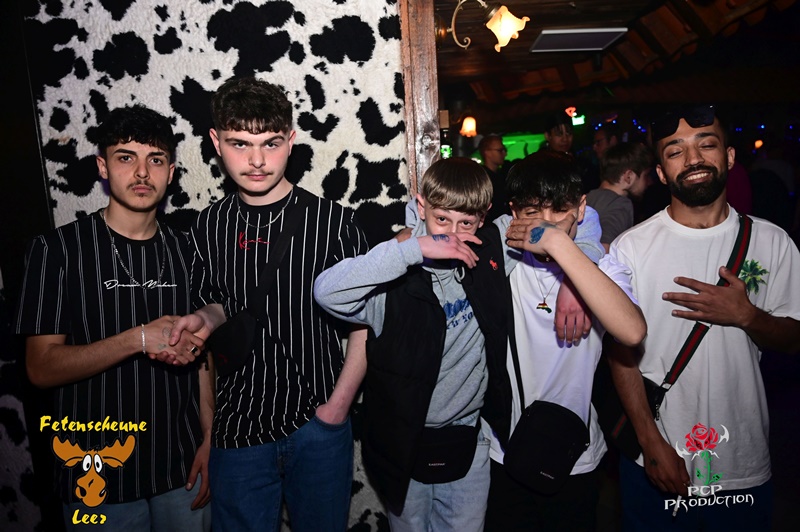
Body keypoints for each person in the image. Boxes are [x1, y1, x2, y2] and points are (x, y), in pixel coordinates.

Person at [313, 157, 605, 531]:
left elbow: (579, 217)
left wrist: (577, 277)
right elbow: (327, 292)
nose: (452, 234)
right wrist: (415, 247)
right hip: (403, 440)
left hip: (471, 439)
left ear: (483, 217)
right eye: (442, 220)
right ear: (421, 208)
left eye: (465, 223)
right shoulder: (394, 277)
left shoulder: (493, 250)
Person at [167, 77, 369, 532]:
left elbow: (367, 324)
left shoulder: (335, 224)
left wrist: (337, 408)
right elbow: (219, 304)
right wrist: (202, 318)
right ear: (216, 142)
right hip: (237, 428)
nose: (256, 160)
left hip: (318, 423)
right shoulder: (208, 225)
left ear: (290, 141)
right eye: (240, 143)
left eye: (270, 143)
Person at [15, 105, 213, 530]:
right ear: (103, 167)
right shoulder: (57, 251)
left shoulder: (188, 250)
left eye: (155, 160)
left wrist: (210, 436)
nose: (142, 172)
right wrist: (136, 339)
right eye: (126, 157)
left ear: (171, 172)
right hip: (95, 475)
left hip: (181, 469)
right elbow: (40, 368)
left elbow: (202, 355)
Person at [607, 105, 800, 530]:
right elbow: (621, 355)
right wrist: (650, 442)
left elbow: (793, 339)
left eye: (706, 145)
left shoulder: (773, 242)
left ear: (729, 157)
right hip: (659, 458)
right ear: (661, 173)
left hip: (742, 459)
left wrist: (748, 316)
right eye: (675, 151)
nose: (693, 159)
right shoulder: (631, 248)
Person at [485, 150, 646, 531]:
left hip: (575, 455)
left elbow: (632, 331)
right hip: (503, 450)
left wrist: (563, 252)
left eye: (560, 211)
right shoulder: (503, 262)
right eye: (533, 212)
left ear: (582, 207)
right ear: (513, 213)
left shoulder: (603, 269)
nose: (547, 224)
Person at [586, 142, 653, 251]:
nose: (649, 182)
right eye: (646, 175)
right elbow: (604, 248)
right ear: (628, 177)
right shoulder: (620, 204)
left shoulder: (588, 197)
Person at [478, 134, 510, 221]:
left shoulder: (503, 174)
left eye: (504, 150)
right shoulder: (481, 177)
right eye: (500, 150)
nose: (505, 154)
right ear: (487, 152)